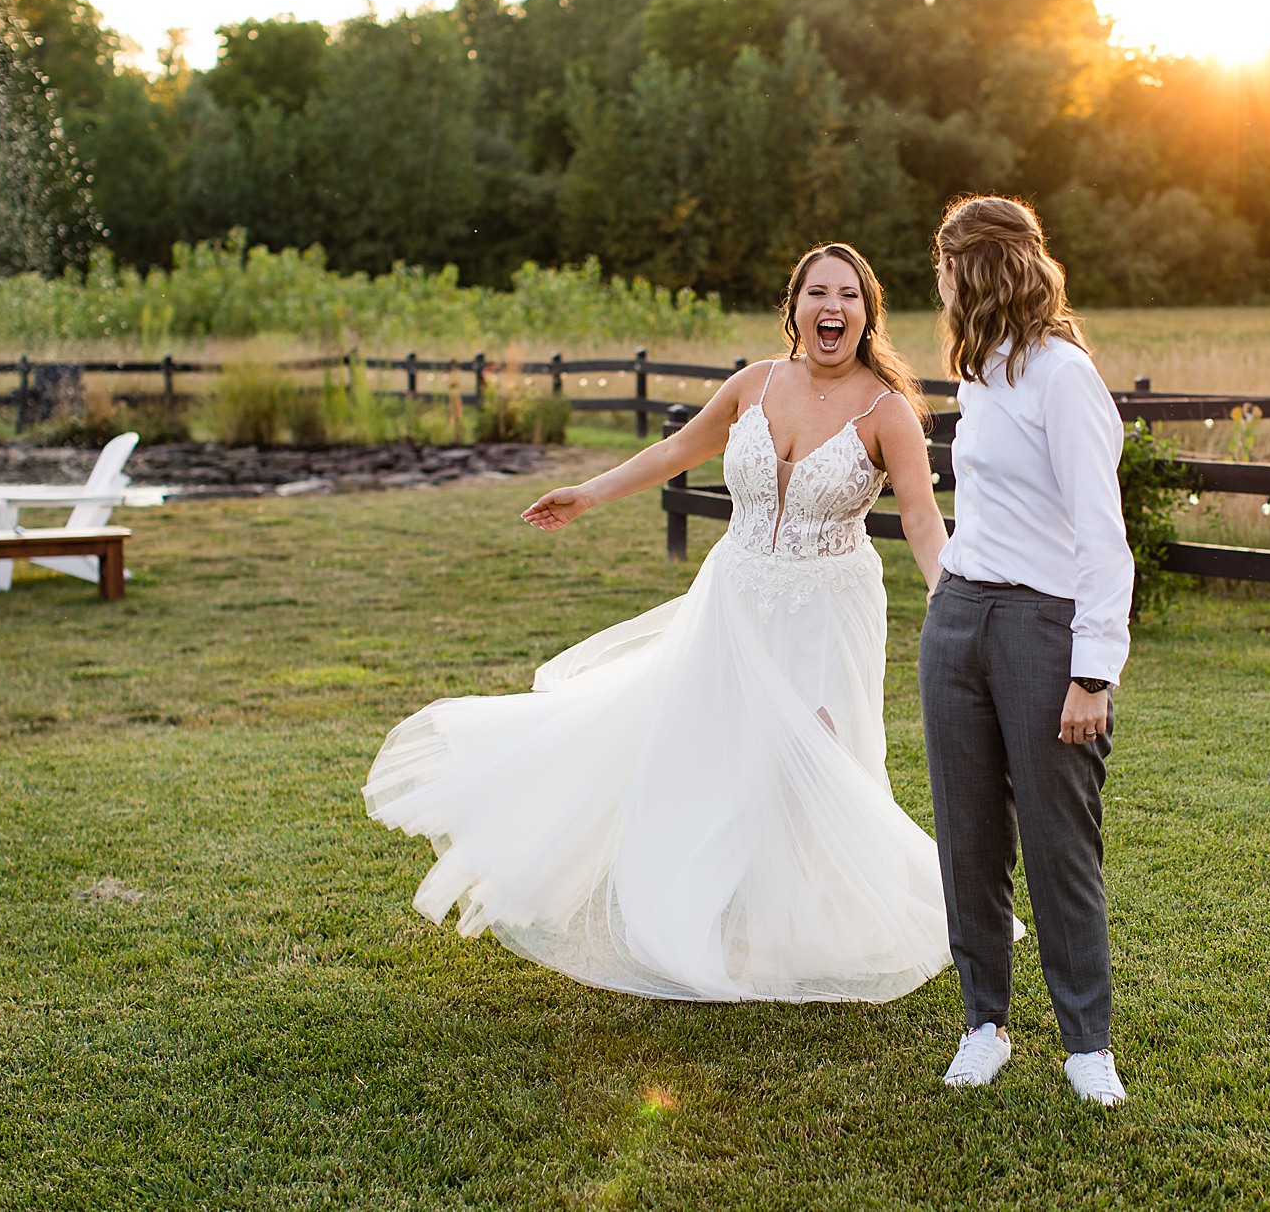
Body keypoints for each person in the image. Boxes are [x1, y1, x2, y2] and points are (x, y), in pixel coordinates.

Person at [363, 242, 972, 1003]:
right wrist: (588, 492)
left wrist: (951, 600)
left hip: (829, 609)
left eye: (849, 296)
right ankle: (718, 920)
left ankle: (804, 930)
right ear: (794, 308)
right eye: (818, 292)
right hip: (735, 596)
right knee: (717, 756)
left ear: (867, 313)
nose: (833, 308)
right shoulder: (754, 384)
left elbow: (919, 517)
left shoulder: (887, 412)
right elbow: (682, 447)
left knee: (816, 763)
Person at [919, 196, 1136, 1107]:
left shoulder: (1061, 375)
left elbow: (1102, 532)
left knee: (1058, 843)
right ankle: (985, 1025)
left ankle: (1086, 1043)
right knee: (968, 835)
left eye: (945, 266)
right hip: (958, 619)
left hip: (1044, 630)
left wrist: (1093, 670)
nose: (939, 284)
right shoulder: (981, 376)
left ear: (977, 268)